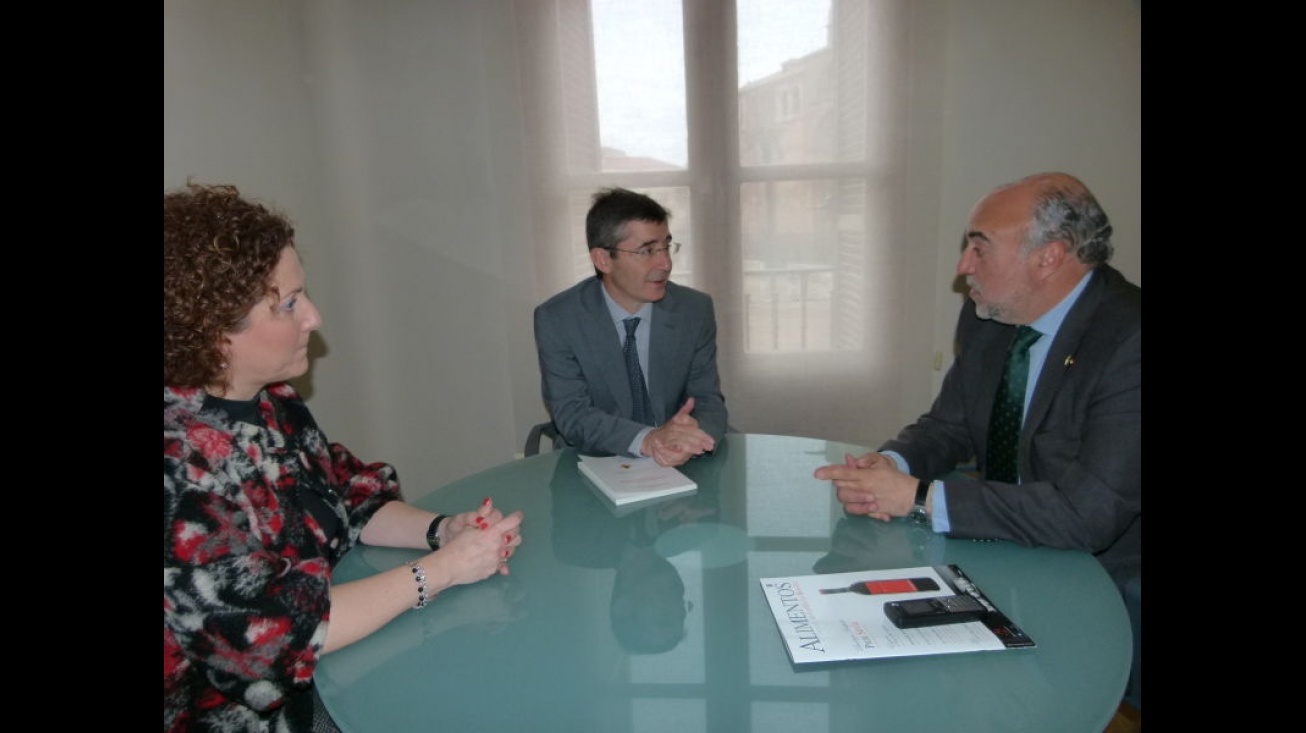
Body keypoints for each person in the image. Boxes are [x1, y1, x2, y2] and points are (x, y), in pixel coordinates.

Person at [164, 183, 525, 733]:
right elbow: (268, 638)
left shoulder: (273, 402)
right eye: (287, 304)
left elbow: (348, 495)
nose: (313, 315)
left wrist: (444, 531)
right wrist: (444, 570)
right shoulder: (177, 464)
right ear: (214, 333)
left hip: (339, 670)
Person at [813, 171, 1140, 586]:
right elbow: (950, 425)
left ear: (1049, 257)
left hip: (1105, 584)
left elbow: (1088, 515)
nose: (963, 265)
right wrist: (892, 464)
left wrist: (918, 497)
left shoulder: (1129, 342)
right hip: (1004, 549)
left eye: (979, 248)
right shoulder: (989, 315)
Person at [533, 187, 728, 467]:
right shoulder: (559, 319)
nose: (665, 263)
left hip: (684, 460)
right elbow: (572, 414)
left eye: (666, 246)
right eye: (647, 251)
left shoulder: (693, 310)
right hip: (597, 459)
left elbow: (708, 400)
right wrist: (647, 439)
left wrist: (693, 438)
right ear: (603, 259)